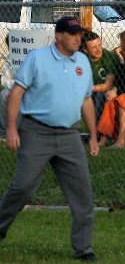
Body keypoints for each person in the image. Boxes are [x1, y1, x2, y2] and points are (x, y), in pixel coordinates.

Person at [0, 16, 99, 261]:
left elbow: (87, 100)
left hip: (70, 135)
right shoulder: (37, 58)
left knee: (82, 193)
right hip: (36, 132)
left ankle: (83, 249)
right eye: (73, 34)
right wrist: (11, 129)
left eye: (80, 34)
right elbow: (16, 93)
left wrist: (94, 136)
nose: (78, 38)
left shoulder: (83, 62)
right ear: (58, 36)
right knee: (23, 187)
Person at [81, 31, 119, 120]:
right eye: (94, 47)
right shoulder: (82, 59)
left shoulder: (109, 57)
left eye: (99, 45)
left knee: (100, 95)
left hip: (111, 91)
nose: (98, 49)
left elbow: (107, 85)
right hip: (92, 90)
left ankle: (97, 127)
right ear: (85, 50)